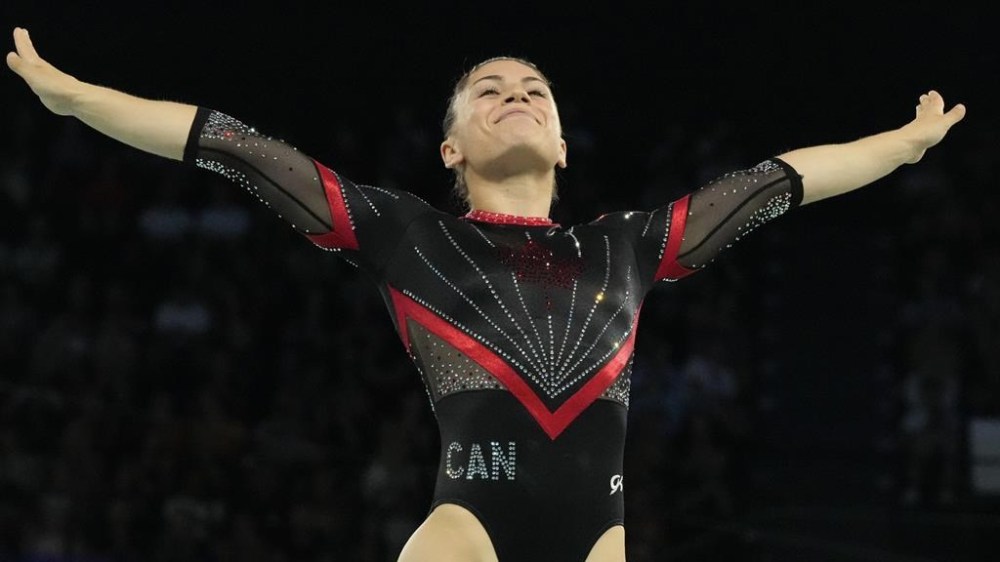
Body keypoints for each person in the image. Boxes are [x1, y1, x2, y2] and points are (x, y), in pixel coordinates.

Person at [5, 26, 966, 562]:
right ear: (450, 149)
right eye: (489, 87)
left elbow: (777, 183)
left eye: (536, 88)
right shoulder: (405, 233)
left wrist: (904, 145)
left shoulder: (627, 245)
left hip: (600, 538)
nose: (517, 91)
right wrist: (78, 97)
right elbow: (230, 144)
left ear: (561, 144)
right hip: (469, 529)